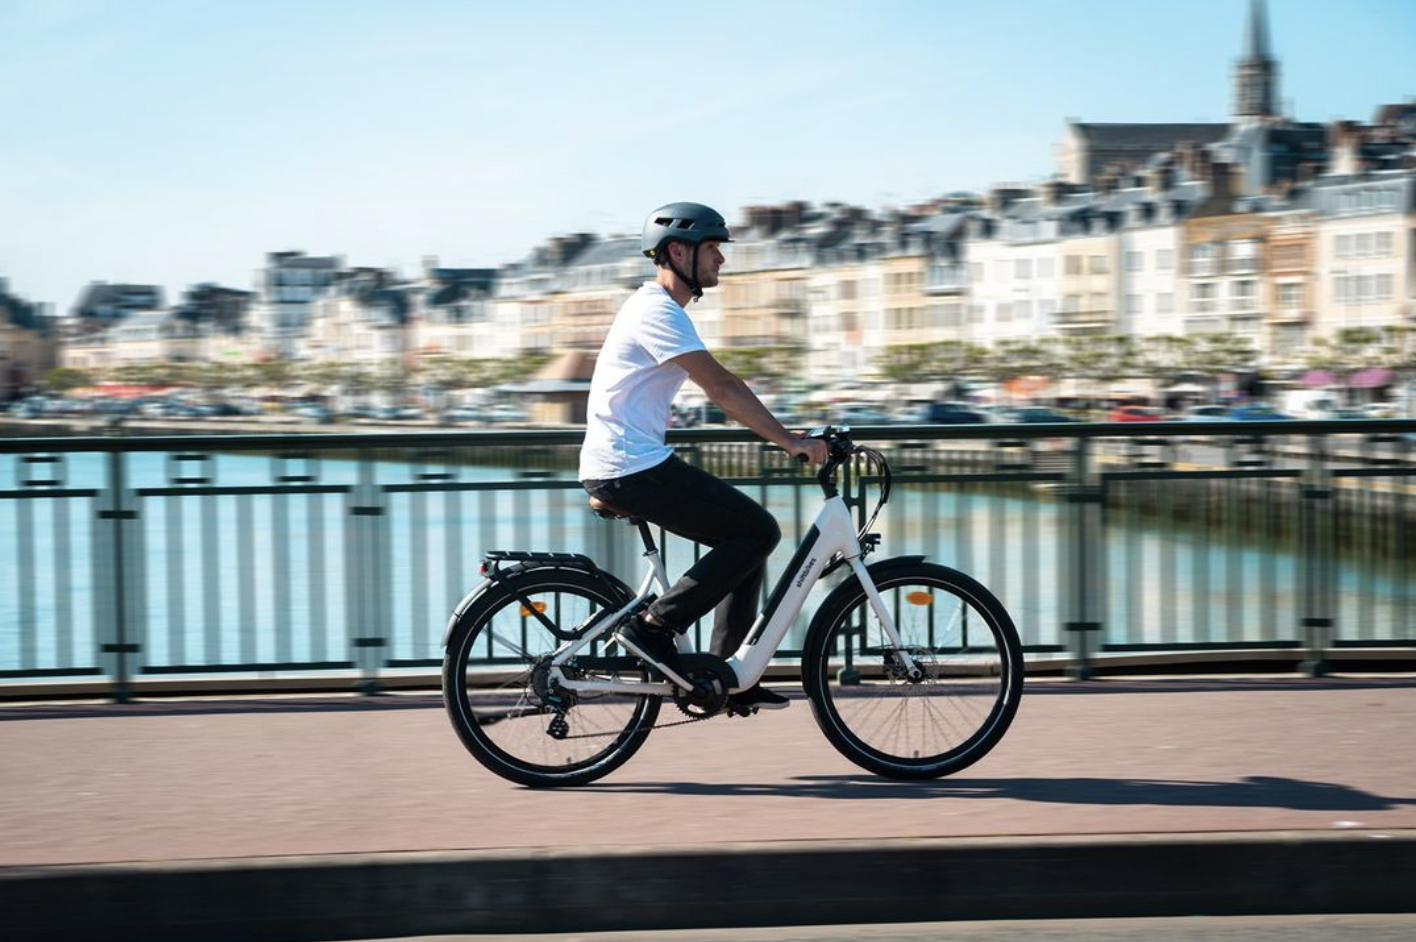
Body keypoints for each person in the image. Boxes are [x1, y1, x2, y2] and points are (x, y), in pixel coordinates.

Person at [578, 202, 828, 712]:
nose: (721, 260)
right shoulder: (656, 310)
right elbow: (722, 386)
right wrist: (791, 442)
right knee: (756, 532)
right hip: (628, 466)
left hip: (630, 461)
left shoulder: (659, 310)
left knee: (748, 535)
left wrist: (789, 434)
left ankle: (730, 672)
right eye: (712, 249)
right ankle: (651, 628)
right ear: (677, 252)